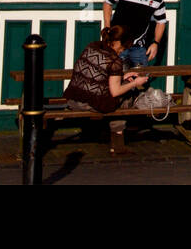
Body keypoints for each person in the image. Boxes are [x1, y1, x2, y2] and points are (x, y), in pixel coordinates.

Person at [63, 25, 151, 154]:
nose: (122, 51)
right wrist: (135, 83)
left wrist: (122, 76)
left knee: (123, 85)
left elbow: (98, 75)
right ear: (117, 43)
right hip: (89, 103)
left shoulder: (92, 46)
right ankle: (117, 143)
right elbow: (115, 91)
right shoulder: (114, 60)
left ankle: (113, 139)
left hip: (74, 97)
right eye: (123, 48)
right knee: (126, 96)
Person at [103, 0, 167, 67]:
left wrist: (155, 43)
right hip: (118, 43)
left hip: (138, 46)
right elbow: (107, 4)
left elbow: (161, 22)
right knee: (114, 75)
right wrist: (107, 26)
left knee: (141, 77)